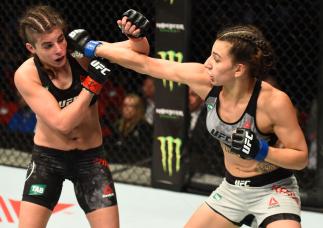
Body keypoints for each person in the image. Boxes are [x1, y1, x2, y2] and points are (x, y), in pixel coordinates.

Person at [69, 20, 308, 227]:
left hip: (273, 189)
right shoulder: (206, 81)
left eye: (216, 59)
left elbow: (300, 157)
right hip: (232, 189)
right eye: (210, 55)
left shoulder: (273, 102)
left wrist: (261, 150)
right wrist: (94, 47)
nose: (207, 64)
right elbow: (148, 65)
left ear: (238, 69)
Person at [14, 5, 150, 228]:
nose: (59, 50)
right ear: (32, 48)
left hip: (90, 159)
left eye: (60, 39)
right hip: (48, 160)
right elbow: (62, 123)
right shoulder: (26, 75)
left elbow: (137, 51)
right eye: (48, 45)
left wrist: (136, 35)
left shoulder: (79, 53)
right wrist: (92, 84)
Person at [105, 93, 153, 166]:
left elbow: (144, 150)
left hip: (137, 164)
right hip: (115, 162)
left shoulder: (144, 127)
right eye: (125, 105)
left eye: (131, 106)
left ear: (137, 109)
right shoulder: (117, 125)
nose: (126, 109)